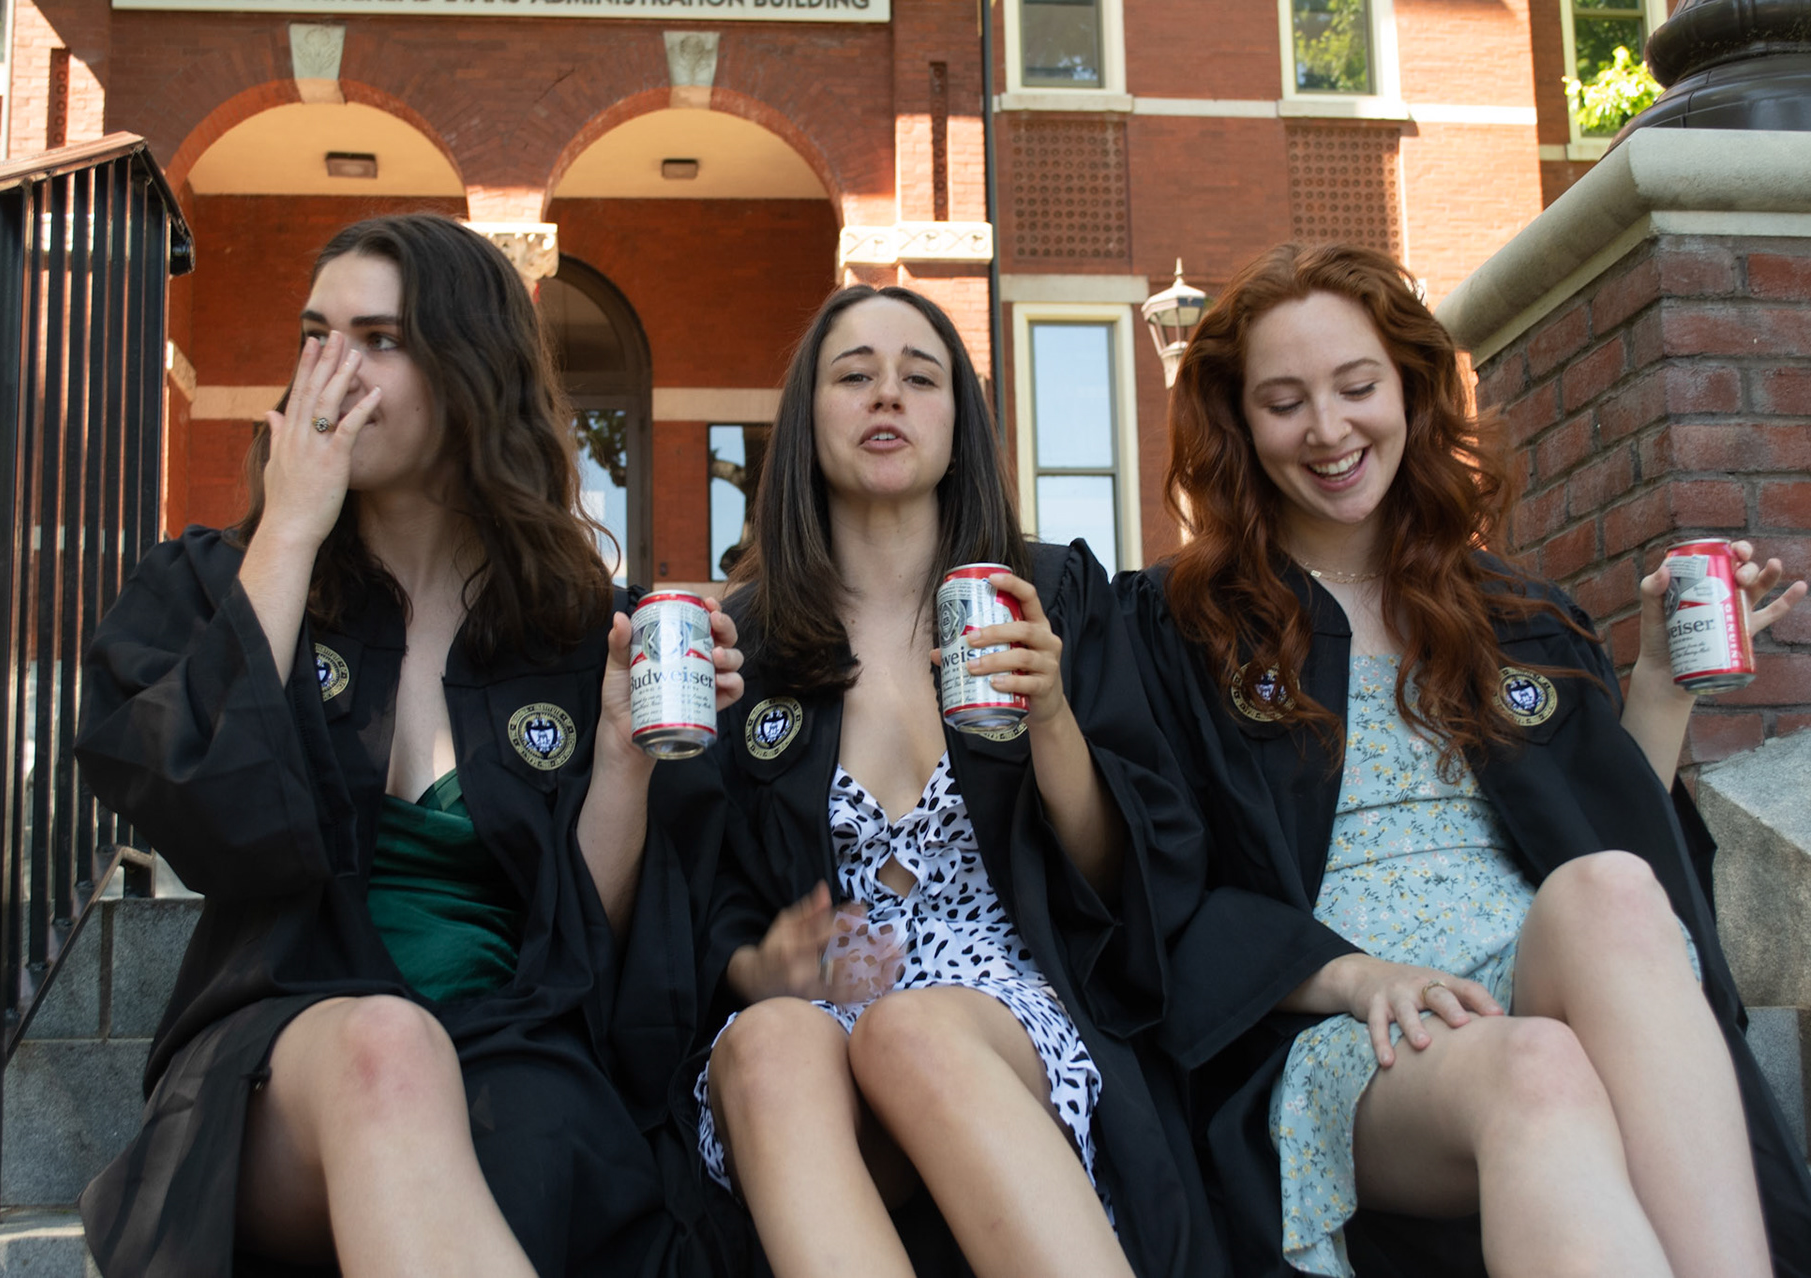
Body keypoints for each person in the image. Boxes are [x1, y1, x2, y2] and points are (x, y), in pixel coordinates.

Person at [1118, 241, 1811, 1278]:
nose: (1329, 429)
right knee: (1536, 1064)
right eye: (1284, 402)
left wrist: (1662, 684)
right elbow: (1158, 885)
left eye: (1357, 386)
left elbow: (1613, 834)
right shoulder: (1179, 628)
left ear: (1408, 390)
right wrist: (1349, 977)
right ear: (1238, 422)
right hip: (1358, 1020)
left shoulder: (1511, 614)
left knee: (1611, 892)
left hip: (1535, 964)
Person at [74, 213, 747, 1278]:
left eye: (380, 339)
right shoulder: (224, 581)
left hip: (513, 1046)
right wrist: (292, 524)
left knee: (533, 1135)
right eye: (316, 335)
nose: (333, 371)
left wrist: (623, 753)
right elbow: (202, 807)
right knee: (389, 1046)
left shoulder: (573, 634)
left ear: (471, 370)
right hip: (284, 1049)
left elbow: (585, 936)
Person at [690, 284, 1226, 1278]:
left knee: (910, 1030)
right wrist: (766, 969)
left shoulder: (1045, 591)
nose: (887, 395)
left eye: (921, 377)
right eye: (854, 375)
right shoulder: (750, 641)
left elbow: (1120, 872)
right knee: (764, 1046)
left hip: (995, 1001)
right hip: (824, 1008)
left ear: (959, 422)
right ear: (808, 417)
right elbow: (710, 894)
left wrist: (1051, 714)